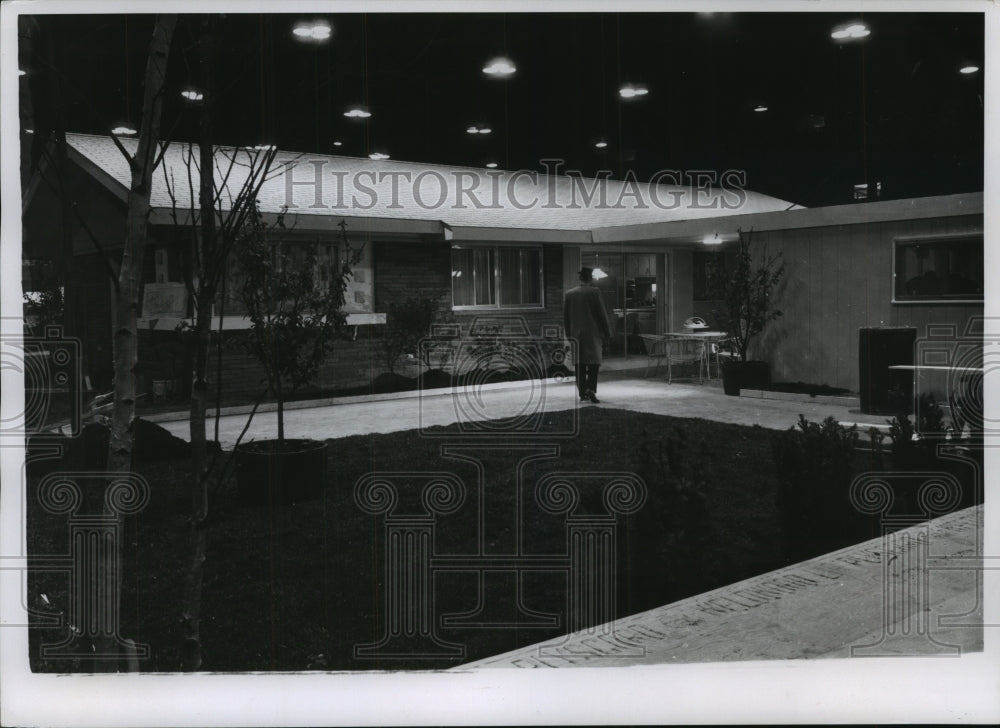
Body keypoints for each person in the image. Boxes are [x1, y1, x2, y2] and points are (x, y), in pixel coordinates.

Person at [563, 267, 612, 403]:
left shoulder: (569, 294)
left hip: (575, 335)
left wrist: (568, 333)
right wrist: (607, 333)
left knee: (579, 364)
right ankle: (590, 388)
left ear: (580, 278)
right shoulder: (595, 292)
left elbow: (566, 316)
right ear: (590, 278)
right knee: (593, 363)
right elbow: (602, 314)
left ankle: (582, 392)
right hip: (592, 334)